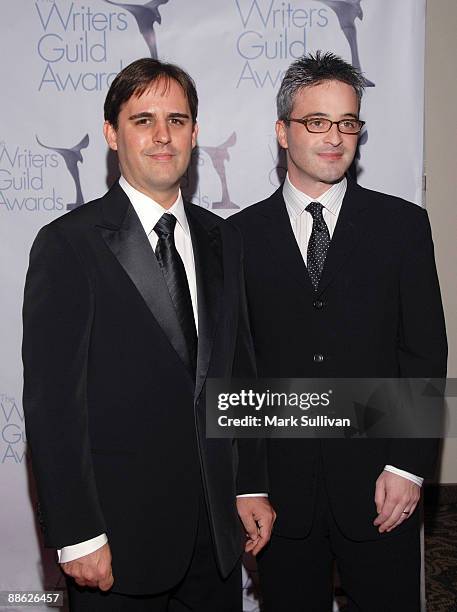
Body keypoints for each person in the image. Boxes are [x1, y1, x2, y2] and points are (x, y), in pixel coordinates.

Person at [22, 58, 275, 612]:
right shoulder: (68, 244)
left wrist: (248, 484)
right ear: (112, 134)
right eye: (143, 120)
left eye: (177, 120)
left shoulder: (222, 239)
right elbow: (53, 407)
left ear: (195, 133)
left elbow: (238, 371)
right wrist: (78, 533)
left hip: (215, 541)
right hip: (117, 542)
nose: (163, 135)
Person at [231, 51, 447, 611]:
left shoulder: (402, 226)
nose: (335, 137)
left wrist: (407, 466)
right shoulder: (236, 238)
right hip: (280, 497)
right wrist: (247, 482)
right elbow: (235, 367)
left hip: (382, 489)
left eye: (348, 122)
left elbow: (423, 351)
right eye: (317, 121)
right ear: (283, 131)